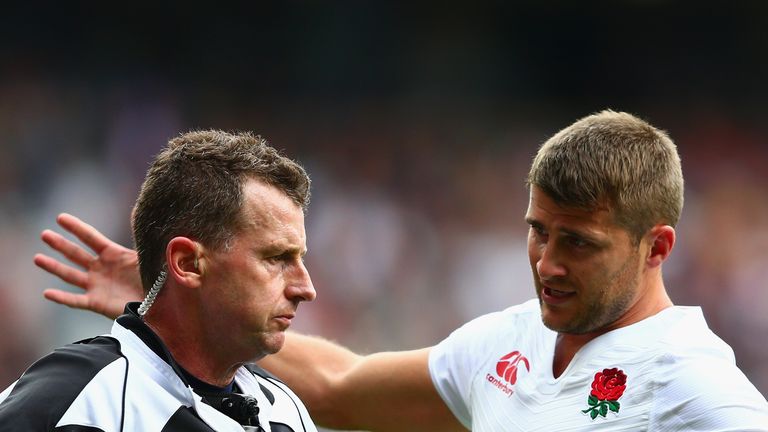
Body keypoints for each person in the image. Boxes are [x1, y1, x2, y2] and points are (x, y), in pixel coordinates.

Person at [31, 111, 768, 431]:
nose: (546, 263)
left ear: (657, 247)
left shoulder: (692, 383)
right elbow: (339, 387)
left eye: (579, 243)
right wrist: (180, 302)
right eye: (537, 233)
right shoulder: (507, 346)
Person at [1, 130, 320, 431]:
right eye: (277, 258)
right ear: (187, 264)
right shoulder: (76, 402)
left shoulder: (286, 413)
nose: (305, 289)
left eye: (300, 259)